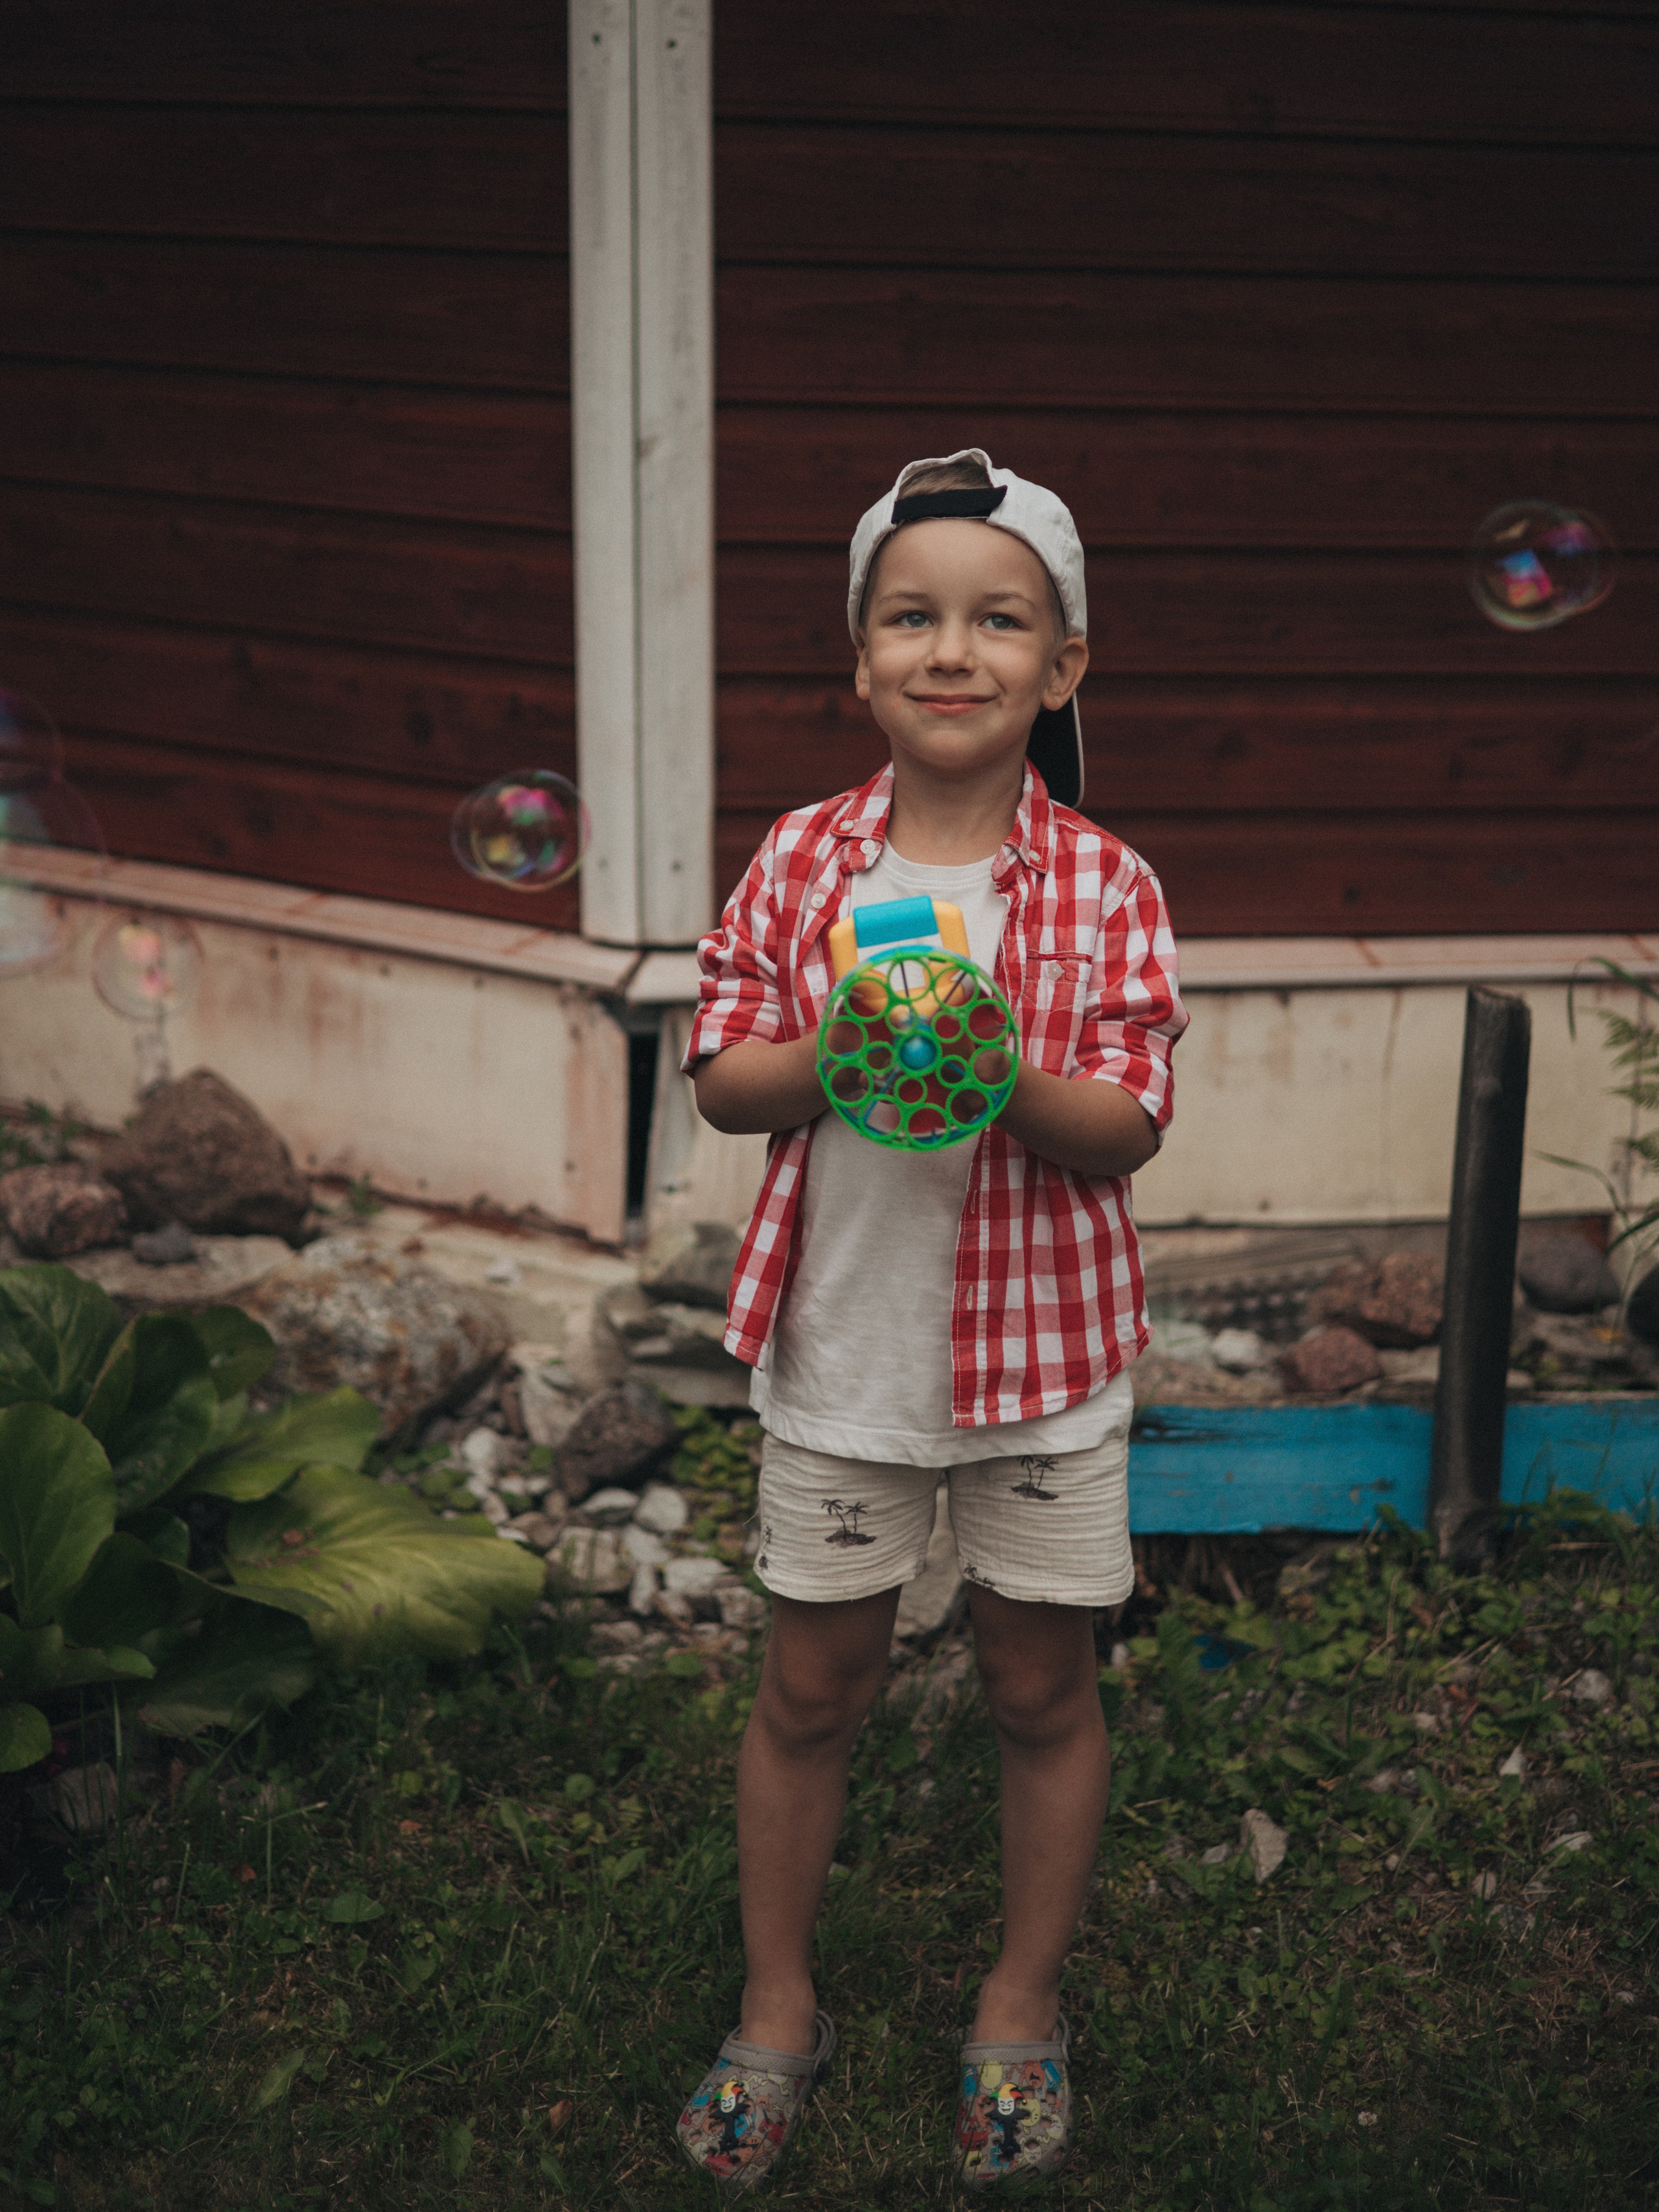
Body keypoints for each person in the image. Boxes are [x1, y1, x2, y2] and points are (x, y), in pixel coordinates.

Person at [673, 449, 1187, 2191]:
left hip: (1045, 1378)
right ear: (863, 653)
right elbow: (726, 1082)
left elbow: (1127, 1121)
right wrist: (839, 1049)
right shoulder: (804, 861)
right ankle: (774, 2008)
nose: (952, 650)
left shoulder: (1106, 883)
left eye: (999, 619)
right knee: (811, 1685)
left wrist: (990, 1066)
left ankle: (1018, 2006)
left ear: (1064, 666)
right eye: (914, 616)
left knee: (1041, 1685)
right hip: (847, 1366)